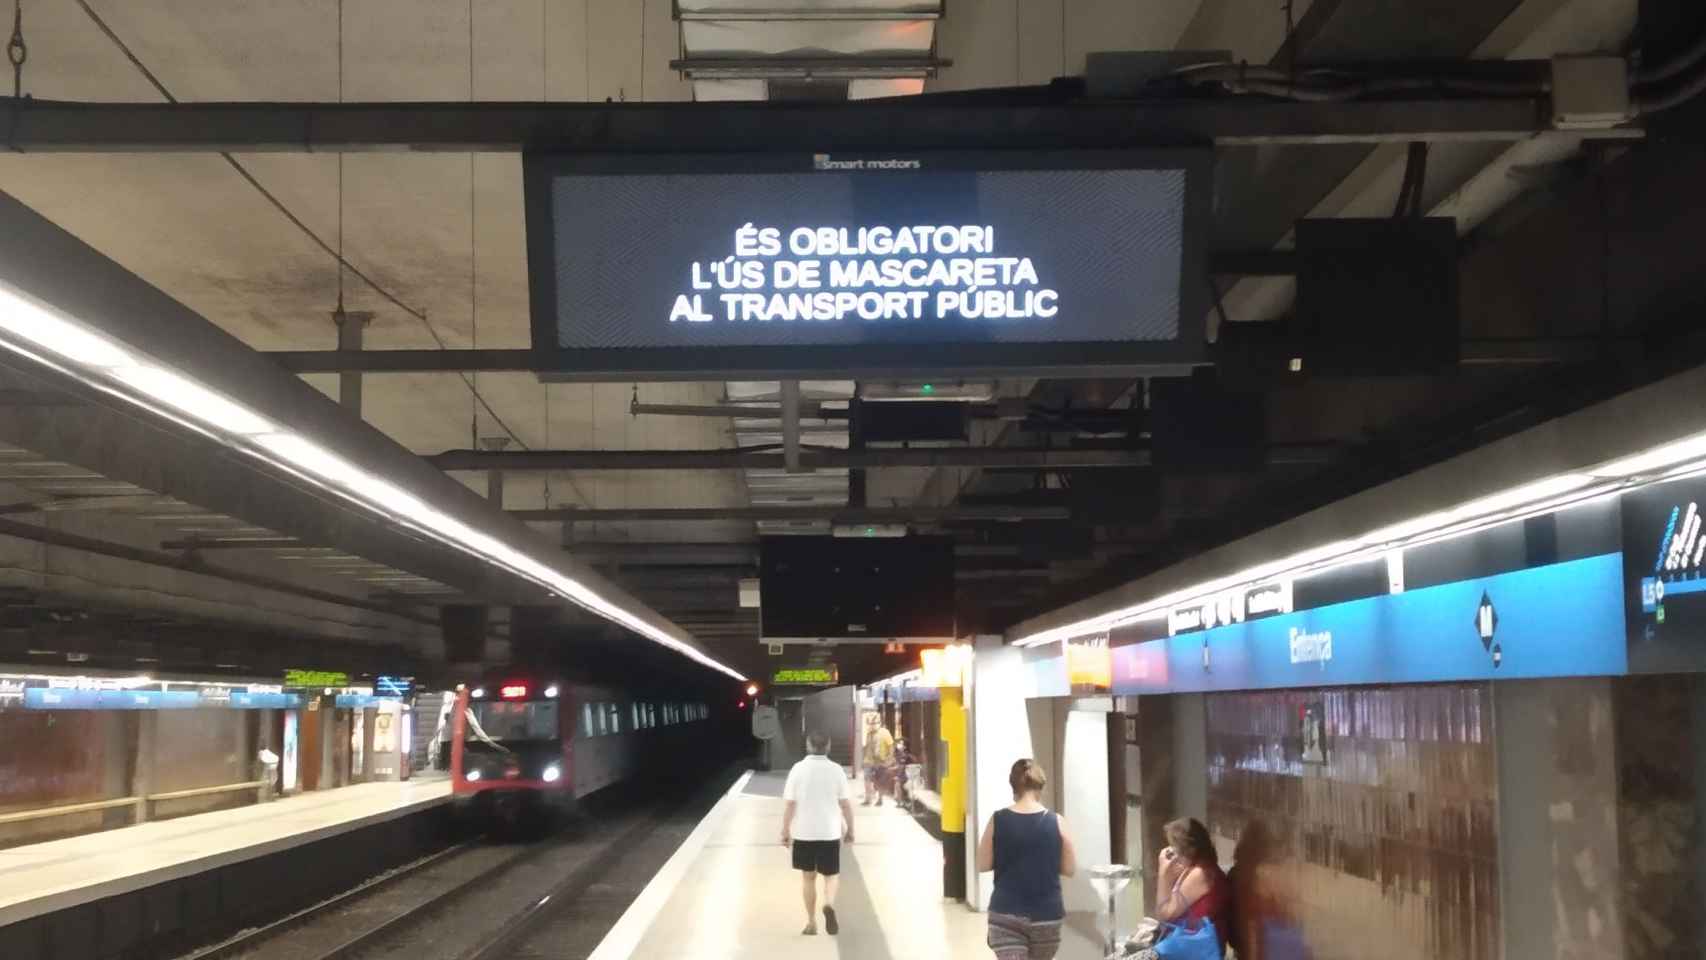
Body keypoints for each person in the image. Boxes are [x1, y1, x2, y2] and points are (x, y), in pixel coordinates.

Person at [977, 759, 1078, 960]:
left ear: (1013, 786)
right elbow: (1069, 868)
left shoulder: (997, 819)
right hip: (1047, 915)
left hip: (1006, 914)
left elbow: (983, 864)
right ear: (1040, 786)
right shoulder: (1057, 821)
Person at [782, 731, 855, 936]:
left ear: (808, 746)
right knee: (831, 875)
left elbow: (789, 804)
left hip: (804, 832)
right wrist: (850, 830)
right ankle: (829, 904)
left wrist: (785, 830)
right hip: (829, 831)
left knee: (808, 877)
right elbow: (846, 805)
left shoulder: (798, 769)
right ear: (828, 746)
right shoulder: (836, 770)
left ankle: (811, 923)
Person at [1130, 817, 1232, 959]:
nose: (1172, 852)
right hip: (1186, 944)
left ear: (1187, 850)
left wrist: (1163, 874)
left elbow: (1165, 914)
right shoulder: (1197, 868)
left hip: (1193, 948)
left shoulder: (1201, 874)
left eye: (1174, 848)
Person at [861, 713, 895, 806]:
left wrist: (889, 758)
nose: (871, 725)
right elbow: (867, 747)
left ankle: (880, 799)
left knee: (880, 781)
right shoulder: (869, 733)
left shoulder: (885, 732)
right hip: (869, 761)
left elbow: (891, 746)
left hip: (881, 761)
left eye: (873, 723)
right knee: (867, 779)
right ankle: (868, 799)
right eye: (870, 723)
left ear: (879, 723)